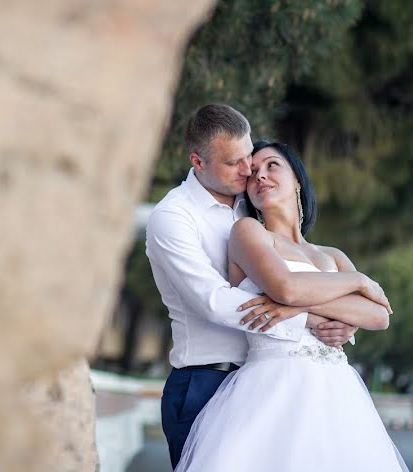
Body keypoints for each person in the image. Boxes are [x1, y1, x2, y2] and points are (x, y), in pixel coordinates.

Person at [146, 104, 374, 469]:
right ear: (198, 162)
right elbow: (215, 301)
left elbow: (295, 274)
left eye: (248, 156)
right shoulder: (173, 218)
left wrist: (341, 315)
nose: (248, 169)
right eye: (233, 162)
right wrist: (313, 319)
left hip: (272, 382)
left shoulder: (250, 205)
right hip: (206, 379)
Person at [174, 139, 408, 471]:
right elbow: (286, 287)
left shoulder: (332, 256)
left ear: (297, 179)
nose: (261, 176)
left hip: (337, 395)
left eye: (273, 166)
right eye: (253, 173)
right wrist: (358, 282)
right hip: (273, 388)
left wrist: (299, 310)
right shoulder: (249, 232)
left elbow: (377, 314)